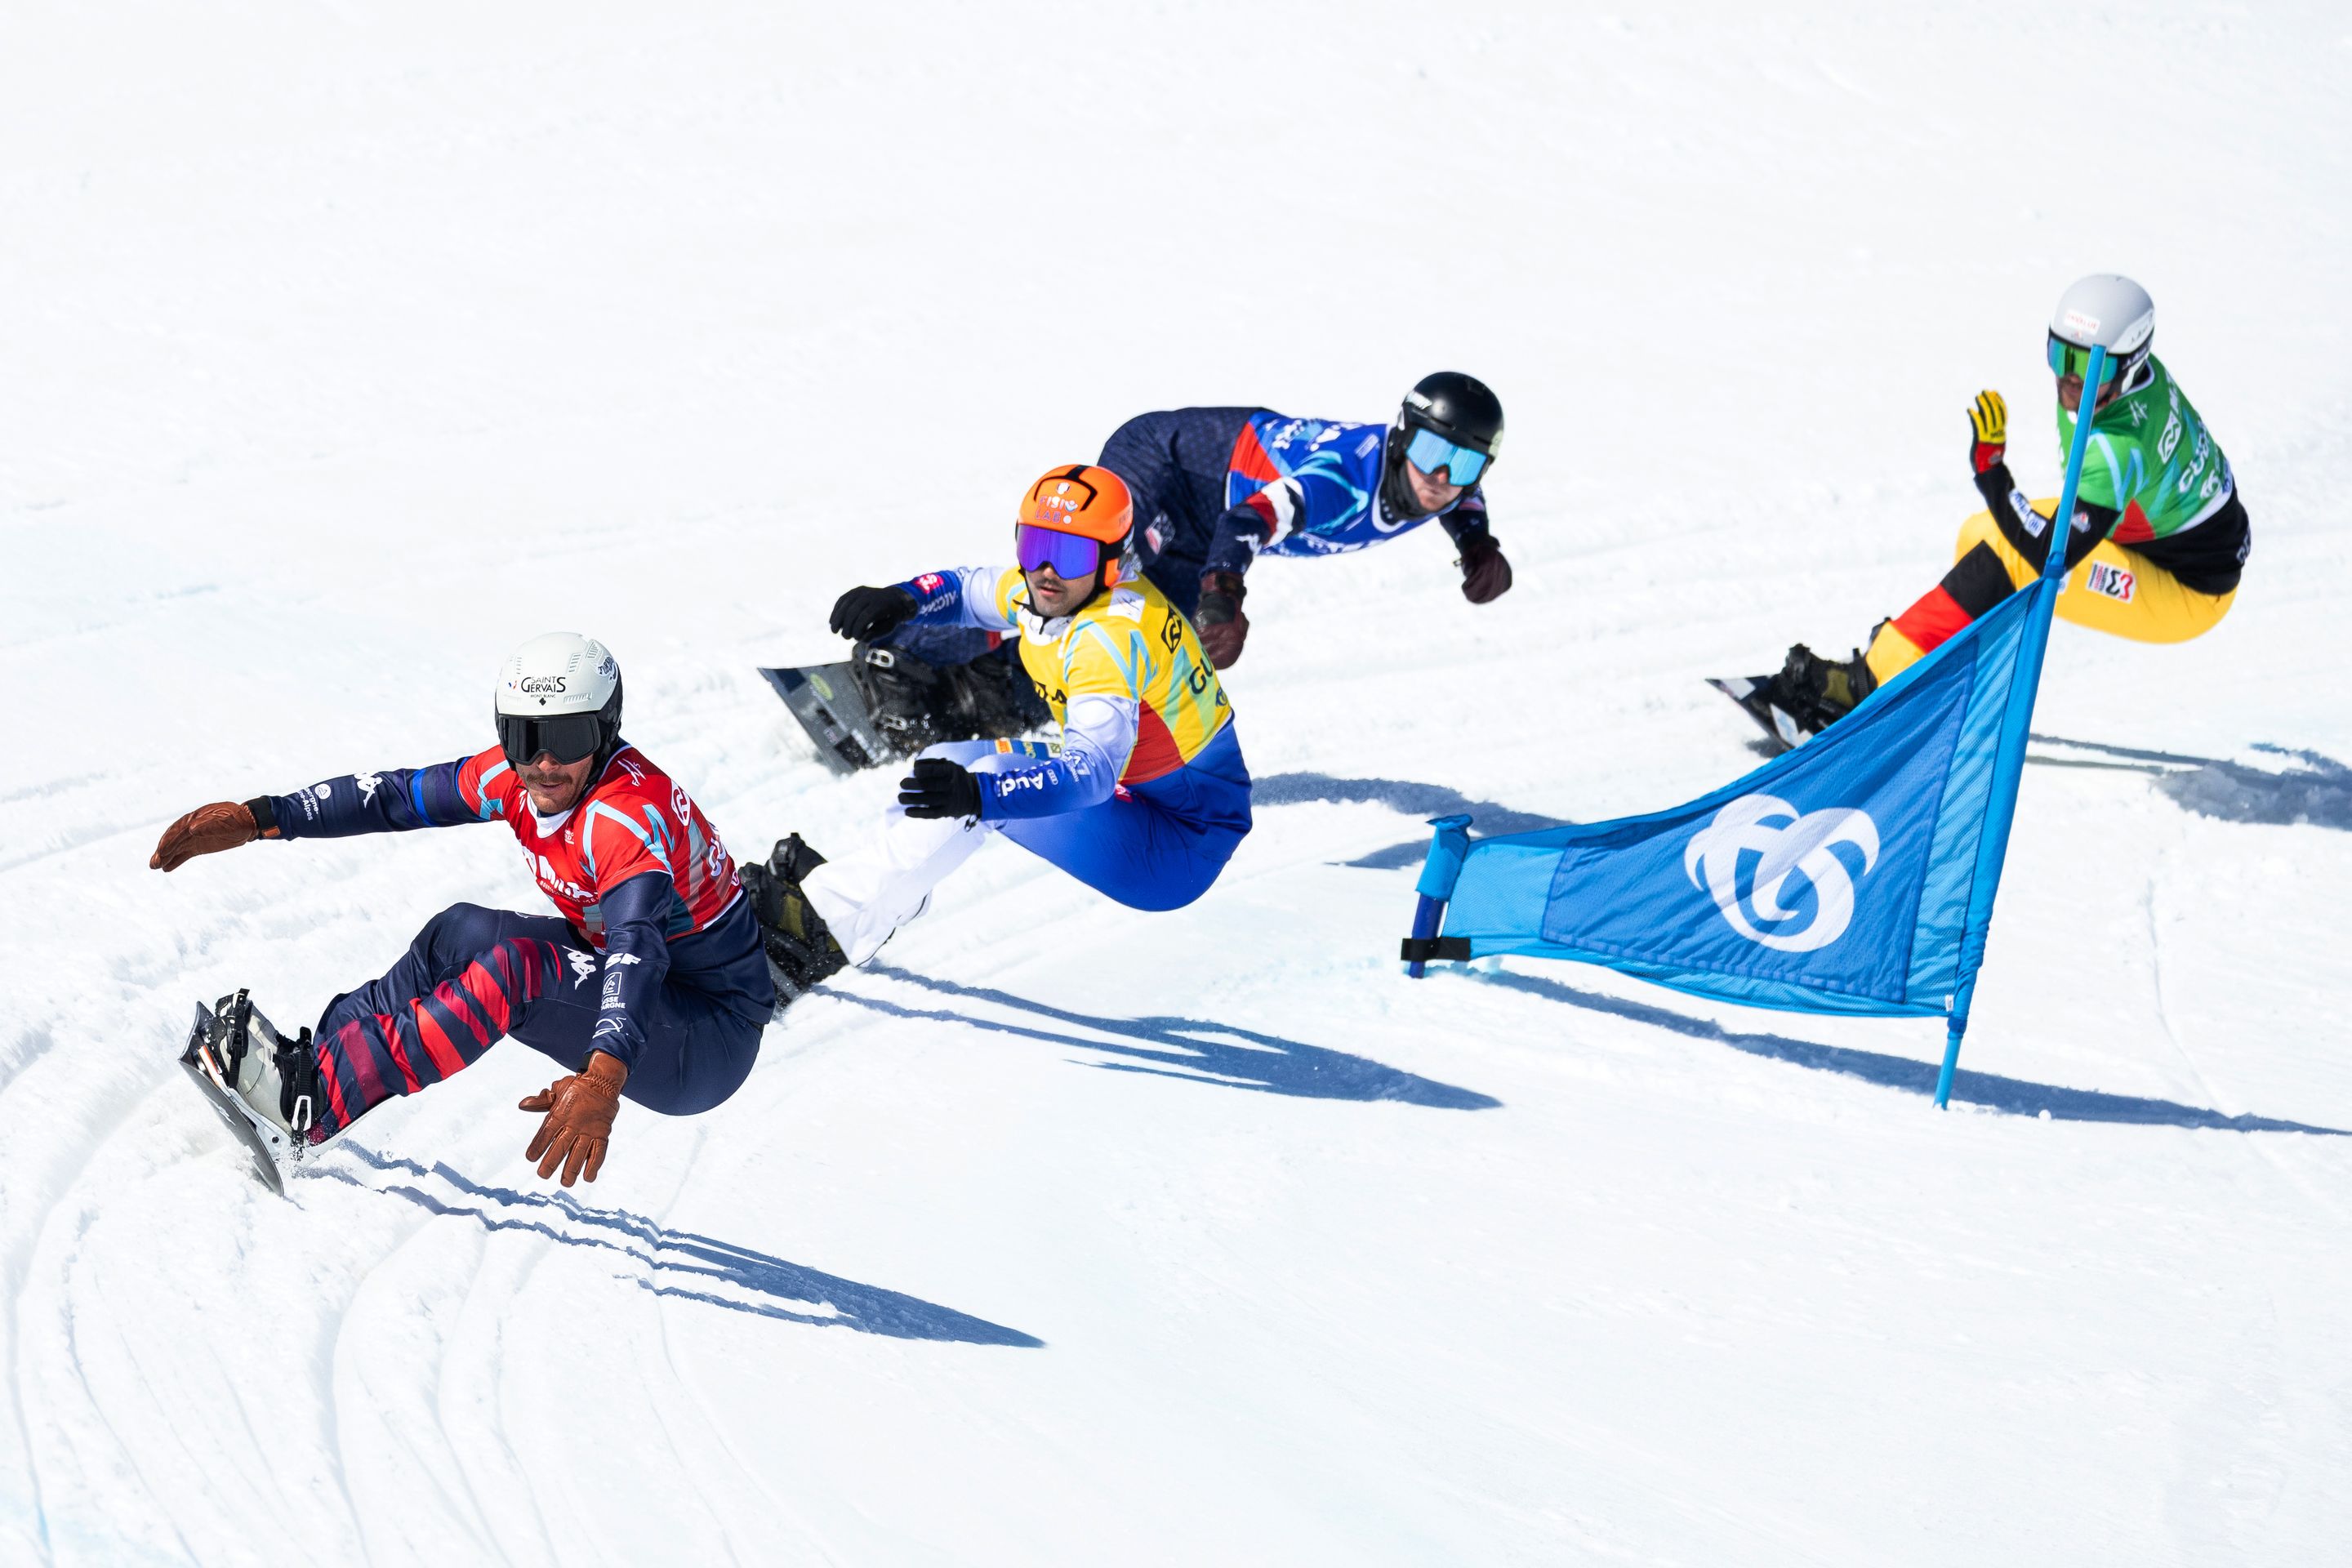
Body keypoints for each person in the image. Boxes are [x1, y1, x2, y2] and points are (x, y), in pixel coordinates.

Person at [151, 634, 773, 1187]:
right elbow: (395, 798)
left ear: (606, 731)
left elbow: (637, 949)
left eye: (568, 738)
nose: (545, 763)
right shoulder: (515, 777)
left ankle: (318, 1098)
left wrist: (604, 1076)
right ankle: (315, 1073)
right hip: (659, 990)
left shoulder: (622, 820)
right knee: (461, 932)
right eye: (526, 737)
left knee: (518, 969)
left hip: (707, 1038)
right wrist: (262, 818)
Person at [753, 464, 1252, 991]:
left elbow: (1092, 775)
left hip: (1176, 847)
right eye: (1033, 543)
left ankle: (819, 923)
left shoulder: (1109, 640)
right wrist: (902, 599)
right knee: (945, 764)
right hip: (1147, 799)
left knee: (987, 781)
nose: (1044, 570)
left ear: (1113, 560)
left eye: (1069, 553)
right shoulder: (1063, 588)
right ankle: (859, 908)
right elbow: (971, 590)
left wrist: (983, 794)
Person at [1753, 274, 2250, 737]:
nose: (2069, 381)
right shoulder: (2109, 388)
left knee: (2012, 555)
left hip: (2187, 591)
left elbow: (2047, 556)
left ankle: (1868, 687)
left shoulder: (2118, 447)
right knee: (1979, 536)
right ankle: (1928, 670)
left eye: (2088, 367)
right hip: (2148, 531)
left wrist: (1993, 474)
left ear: (2133, 363)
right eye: (2061, 357)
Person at [1098, 371, 1512, 666]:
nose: (1441, 477)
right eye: (1430, 452)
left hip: (1202, 539)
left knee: (1151, 651)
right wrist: (1222, 595)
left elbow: (1467, 497)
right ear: (1403, 438)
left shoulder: (1445, 488)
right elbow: (1245, 521)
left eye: (1464, 463)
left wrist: (1477, 543)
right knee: (1099, 577)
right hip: (1166, 464)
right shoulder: (1344, 482)